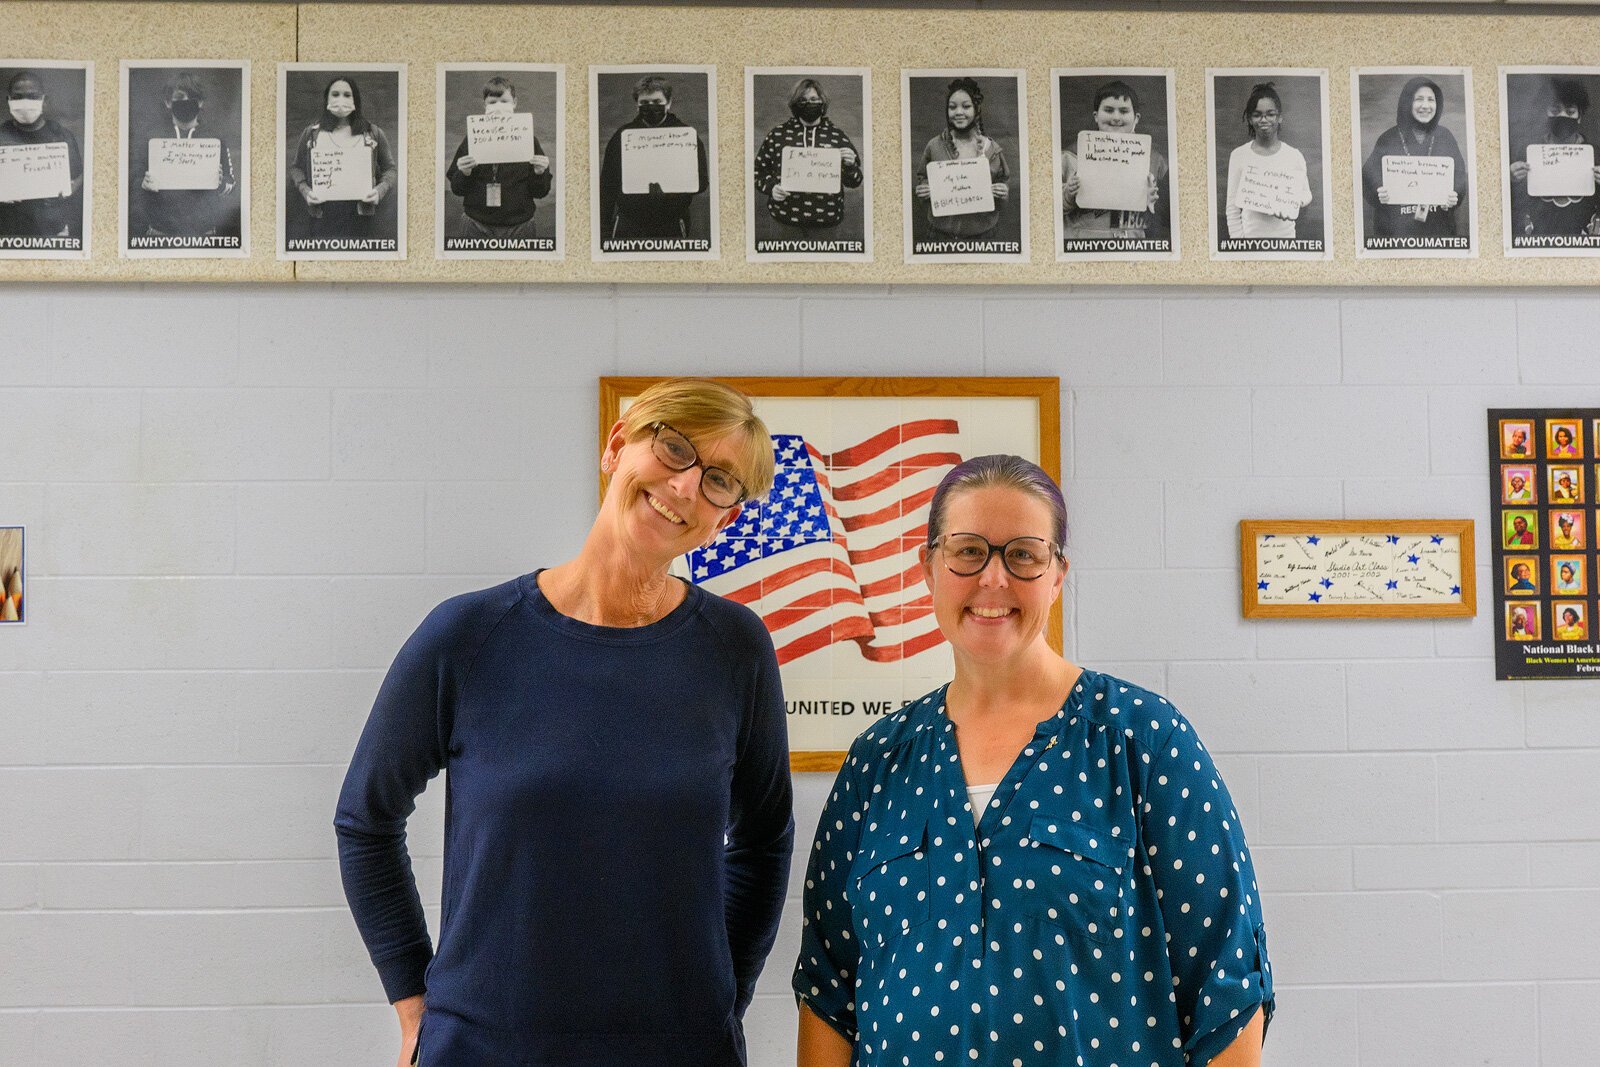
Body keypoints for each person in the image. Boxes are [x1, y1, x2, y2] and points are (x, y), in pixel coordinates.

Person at [337, 379, 793, 1066]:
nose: (685, 485)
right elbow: (365, 818)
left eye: (719, 480)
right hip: (487, 1047)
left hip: (678, 1048)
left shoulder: (734, 648)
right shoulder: (471, 634)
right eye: (673, 448)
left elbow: (764, 842)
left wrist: (721, 999)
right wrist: (414, 1004)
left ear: (724, 518)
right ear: (617, 447)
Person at [794, 455, 1273, 1067]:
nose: (994, 579)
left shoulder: (1143, 742)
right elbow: (829, 990)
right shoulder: (879, 760)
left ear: (1056, 574)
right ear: (929, 569)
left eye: (1023, 554)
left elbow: (1225, 986)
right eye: (968, 551)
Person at [597, 75, 709, 242]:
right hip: (628, 223)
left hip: (671, 223)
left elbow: (701, 183)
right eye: (644, 103)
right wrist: (603, 232)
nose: (651, 108)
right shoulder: (621, 137)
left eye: (657, 102)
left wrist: (671, 190)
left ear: (668, 103)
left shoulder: (686, 136)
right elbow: (607, 186)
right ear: (637, 105)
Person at [129, 70, 238, 240]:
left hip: (203, 233)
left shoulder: (215, 140)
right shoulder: (151, 139)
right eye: (179, 98)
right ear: (168, 102)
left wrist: (221, 183)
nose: (186, 103)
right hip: (160, 231)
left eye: (192, 98)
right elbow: (134, 181)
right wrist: (143, 184)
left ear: (200, 102)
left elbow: (231, 183)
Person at [288, 76, 397, 240]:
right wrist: (306, 191)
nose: (341, 99)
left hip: (361, 214)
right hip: (323, 214)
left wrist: (379, 191)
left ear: (355, 99)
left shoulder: (373, 132)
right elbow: (296, 168)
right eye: (335, 94)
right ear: (327, 98)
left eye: (347, 95)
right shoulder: (312, 133)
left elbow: (390, 169)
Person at [445, 76, 552, 242]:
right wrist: (464, 173)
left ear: (514, 103)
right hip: (476, 224)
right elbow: (457, 189)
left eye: (504, 101)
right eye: (492, 102)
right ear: (484, 105)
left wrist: (539, 173)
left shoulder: (529, 140)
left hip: (520, 226)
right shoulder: (472, 139)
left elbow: (541, 192)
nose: (498, 107)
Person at [1060, 79, 1168, 241]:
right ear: (1096, 116)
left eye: (1124, 111)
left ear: (1136, 118)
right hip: (1081, 242)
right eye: (1109, 110)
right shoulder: (1069, 156)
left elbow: (1165, 219)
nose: (1116, 117)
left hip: (1130, 243)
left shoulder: (1155, 160)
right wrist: (1068, 194)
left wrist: (1152, 204)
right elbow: (1047, 210)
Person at [752, 78, 863, 235]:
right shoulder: (777, 135)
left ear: (822, 103)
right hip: (784, 221)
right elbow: (758, 172)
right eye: (802, 100)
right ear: (795, 104)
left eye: (813, 99)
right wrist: (771, 188)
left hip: (828, 223)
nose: (808, 104)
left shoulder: (837, 137)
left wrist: (850, 165)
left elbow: (855, 181)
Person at [1361, 76, 1467, 239]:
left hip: (1437, 233)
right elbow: (1368, 177)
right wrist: (1378, 191)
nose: (1425, 106)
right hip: (1396, 234)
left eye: (1431, 100)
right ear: (1407, 103)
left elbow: (1459, 178)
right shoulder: (1388, 138)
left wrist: (1455, 196)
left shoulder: (1446, 137)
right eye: (1419, 99)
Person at [913, 77, 1011, 240]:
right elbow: (923, 178)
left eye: (966, 106)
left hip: (983, 235)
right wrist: (923, 190)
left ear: (976, 109)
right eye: (952, 107)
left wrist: (1003, 193)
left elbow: (1003, 186)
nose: (959, 112)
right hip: (940, 234)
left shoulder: (991, 149)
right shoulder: (934, 146)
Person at [1508, 78, 1600, 241]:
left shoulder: (1595, 154)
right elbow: (1514, 203)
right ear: (1546, 114)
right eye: (1555, 110)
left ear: (1579, 117)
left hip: (1583, 238)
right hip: (1540, 236)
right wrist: (1511, 179)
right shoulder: (1528, 153)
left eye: (1570, 112)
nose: (1562, 117)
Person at [0, 70, 84, 240]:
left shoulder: (61, 136)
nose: (25, 102)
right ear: (8, 101)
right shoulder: (1, 134)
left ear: (45, 101)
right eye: (18, 97)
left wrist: (71, 187)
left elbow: (80, 176)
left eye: (32, 96)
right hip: (7, 227)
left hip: (51, 228)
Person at [1225, 81, 1313, 239]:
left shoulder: (1294, 155)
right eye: (1257, 115)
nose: (1264, 120)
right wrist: (1239, 243)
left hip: (1285, 241)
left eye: (1270, 114)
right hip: (1250, 240)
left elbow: (1306, 194)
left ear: (1279, 118)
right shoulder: (1239, 155)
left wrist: (1292, 202)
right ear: (1250, 119)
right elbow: (1232, 207)